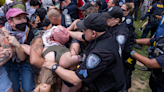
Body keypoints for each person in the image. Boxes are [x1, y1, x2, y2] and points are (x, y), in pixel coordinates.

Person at [43, 13, 126, 92]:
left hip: (108, 88)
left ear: (93, 33)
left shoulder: (99, 54)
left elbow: (75, 79)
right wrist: (65, 32)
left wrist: (54, 66)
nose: (83, 31)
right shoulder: (105, 35)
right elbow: (80, 36)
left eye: (84, 30)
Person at [3, 8, 35, 92]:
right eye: (18, 18)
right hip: (11, 63)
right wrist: (21, 47)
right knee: (15, 88)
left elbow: (22, 58)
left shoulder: (29, 32)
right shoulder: (3, 32)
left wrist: (17, 45)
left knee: (28, 89)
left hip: (25, 63)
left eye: (24, 18)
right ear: (10, 22)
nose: (23, 21)